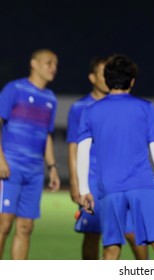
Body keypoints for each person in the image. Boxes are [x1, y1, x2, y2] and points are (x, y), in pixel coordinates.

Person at [77, 54, 154, 260]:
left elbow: (82, 151)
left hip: (109, 188)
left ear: (107, 79)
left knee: (111, 249)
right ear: (132, 81)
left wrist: (84, 189)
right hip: (143, 185)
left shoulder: (91, 110)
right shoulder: (145, 107)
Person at [67, 57, 148, 260]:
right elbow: (73, 147)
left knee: (133, 233)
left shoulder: (124, 105)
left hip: (121, 178)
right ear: (92, 78)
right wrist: (76, 182)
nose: (107, 78)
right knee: (93, 234)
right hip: (92, 178)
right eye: (103, 74)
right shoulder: (80, 107)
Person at [0, 49, 61, 259]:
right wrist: (0, 159)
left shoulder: (51, 99)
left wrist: (52, 168)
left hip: (34, 173)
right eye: (48, 62)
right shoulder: (14, 89)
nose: (53, 67)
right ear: (33, 64)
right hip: (9, 169)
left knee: (25, 227)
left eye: (55, 64)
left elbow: (47, 136)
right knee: (4, 225)